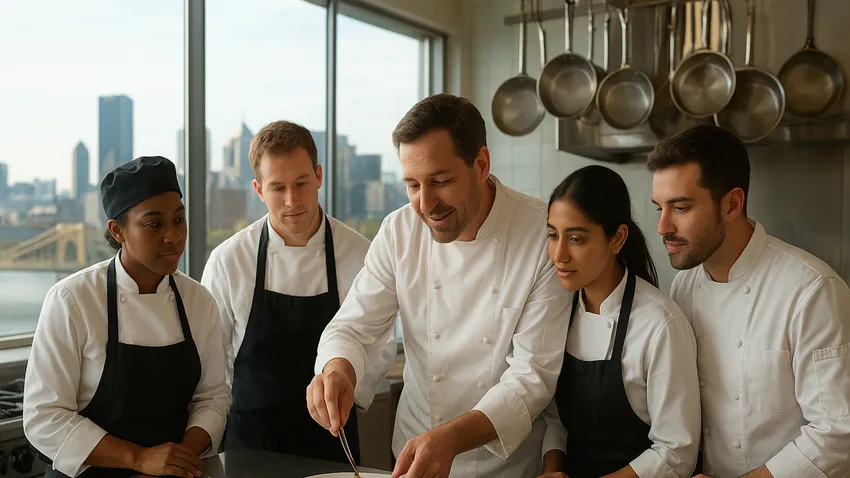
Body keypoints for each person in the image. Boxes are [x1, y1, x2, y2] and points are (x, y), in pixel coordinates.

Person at [306, 93, 572, 478]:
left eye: (441, 181)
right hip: (414, 459)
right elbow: (355, 325)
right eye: (412, 185)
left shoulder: (541, 233)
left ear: (481, 164)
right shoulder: (398, 230)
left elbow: (532, 376)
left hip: (507, 466)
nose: (426, 203)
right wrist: (337, 369)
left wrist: (450, 438)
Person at [649, 124, 850, 478]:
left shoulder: (811, 290)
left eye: (680, 208)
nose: (663, 226)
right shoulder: (682, 288)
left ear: (732, 204)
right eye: (659, 208)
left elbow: (837, 433)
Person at [23, 156, 231, 478]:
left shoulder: (199, 301)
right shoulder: (72, 300)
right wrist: (138, 458)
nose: (174, 237)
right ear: (117, 230)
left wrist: (182, 457)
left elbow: (212, 397)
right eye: (154, 224)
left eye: (179, 219)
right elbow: (44, 416)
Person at [201, 120, 395, 463]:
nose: (293, 201)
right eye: (278, 188)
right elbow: (214, 361)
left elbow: (379, 345)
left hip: (331, 436)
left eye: (302, 183)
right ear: (258, 190)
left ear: (319, 175)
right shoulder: (229, 260)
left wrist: (346, 391)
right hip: (250, 440)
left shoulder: (360, 255)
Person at [537, 165, 702, 478]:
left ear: (617, 238)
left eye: (576, 239)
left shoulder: (659, 325)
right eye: (552, 235)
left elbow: (676, 452)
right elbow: (556, 421)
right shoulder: (559, 311)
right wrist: (552, 470)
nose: (559, 255)